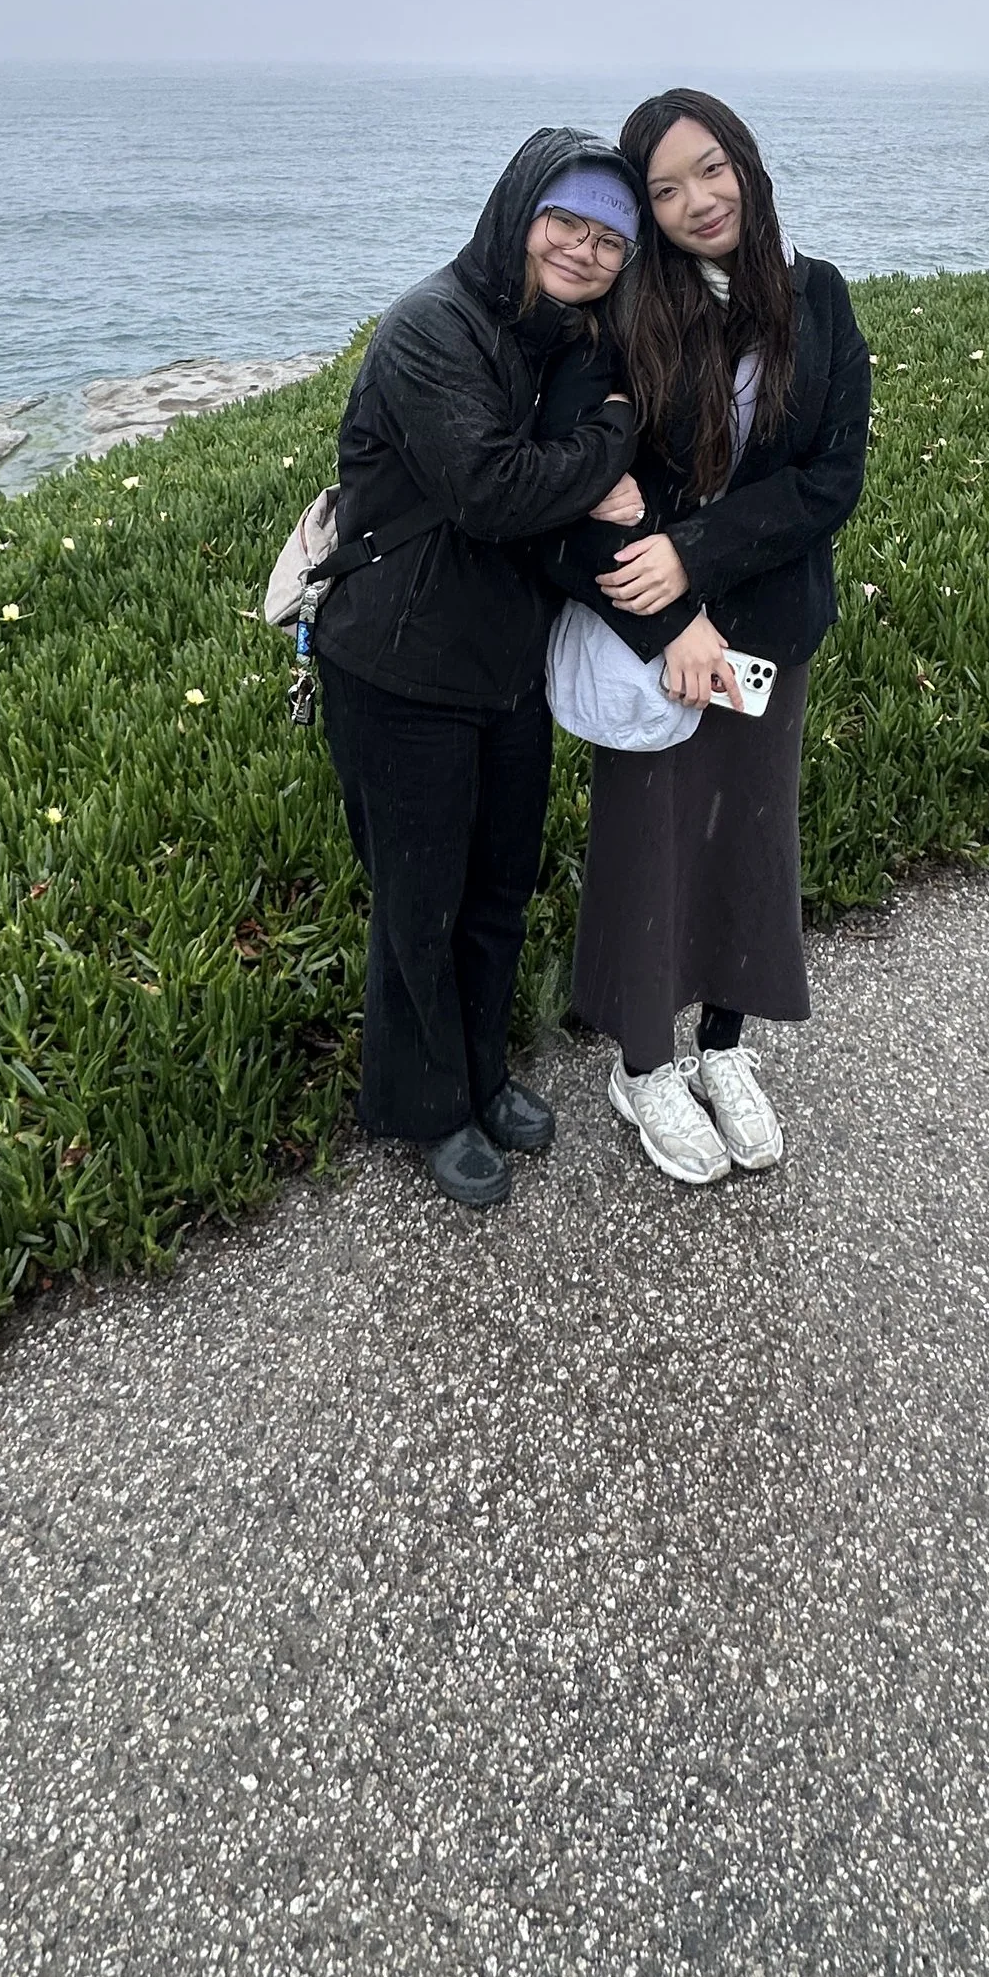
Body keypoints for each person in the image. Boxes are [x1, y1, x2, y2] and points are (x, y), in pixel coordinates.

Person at [539, 90, 871, 1184]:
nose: (697, 201)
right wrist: (677, 611)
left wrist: (703, 556)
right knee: (650, 848)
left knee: (749, 842)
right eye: (666, 189)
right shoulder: (623, 321)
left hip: (770, 630)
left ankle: (724, 1047)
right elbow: (592, 496)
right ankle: (641, 1065)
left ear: (747, 166)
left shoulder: (816, 299)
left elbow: (831, 479)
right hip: (653, 637)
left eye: (711, 169)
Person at [312, 128, 647, 1210]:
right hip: (399, 671)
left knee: (497, 889)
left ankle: (484, 1076)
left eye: (610, 237)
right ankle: (426, 1107)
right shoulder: (428, 328)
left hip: (506, 671)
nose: (584, 250)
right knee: (420, 900)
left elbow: (542, 481)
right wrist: (612, 440)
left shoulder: (564, 340)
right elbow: (490, 492)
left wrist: (604, 421)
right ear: (518, 213)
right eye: (566, 222)